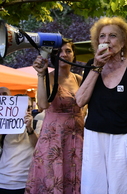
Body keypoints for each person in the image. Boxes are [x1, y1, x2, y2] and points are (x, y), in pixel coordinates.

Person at [75, 17, 127, 194]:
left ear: (123, 43)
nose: (107, 40)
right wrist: (97, 67)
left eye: (113, 36)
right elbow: (79, 101)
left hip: (124, 138)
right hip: (94, 136)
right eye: (102, 36)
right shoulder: (92, 66)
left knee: (121, 188)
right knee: (93, 187)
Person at [25, 38, 84, 194]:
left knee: (76, 178)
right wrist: (40, 74)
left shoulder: (79, 79)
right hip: (55, 139)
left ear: (74, 56)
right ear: (54, 55)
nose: (64, 54)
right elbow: (43, 105)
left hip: (77, 138)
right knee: (53, 179)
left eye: (68, 51)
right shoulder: (48, 77)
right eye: (59, 51)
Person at [0, 94, 42, 194]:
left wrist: (29, 129)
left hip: (28, 181)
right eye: (23, 108)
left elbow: (39, 148)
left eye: (29, 108)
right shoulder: (5, 126)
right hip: (4, 180)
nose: (26, 111)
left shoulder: (38, 124)